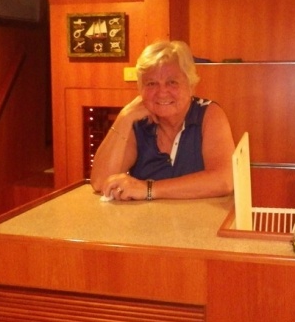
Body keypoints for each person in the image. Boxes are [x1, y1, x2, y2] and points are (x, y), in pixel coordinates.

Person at [90, 40, 235, 201]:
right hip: (147, 217)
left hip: (202, 217)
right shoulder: (138, 123)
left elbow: (224, 180)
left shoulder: (209, 114)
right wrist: (124, 118)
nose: (162, 92)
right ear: (140, 89)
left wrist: (148, 189)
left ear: (191, 85)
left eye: (172, 82)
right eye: (151, 83)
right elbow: (100, 182)